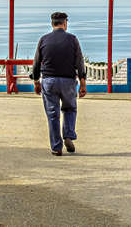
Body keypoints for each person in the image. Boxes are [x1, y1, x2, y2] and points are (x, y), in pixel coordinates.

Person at [31, 12, 87, 156]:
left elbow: (36, 63)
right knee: (69, 109)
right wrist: (82, 82)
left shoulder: (43, 40)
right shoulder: (73, 39)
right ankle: (68, 135)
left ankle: (56, 147)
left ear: (52, 24)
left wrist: (36, 81)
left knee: (52, 114)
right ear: (65, 23)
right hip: (68, 81)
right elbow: (79, 62)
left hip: (49, 81)